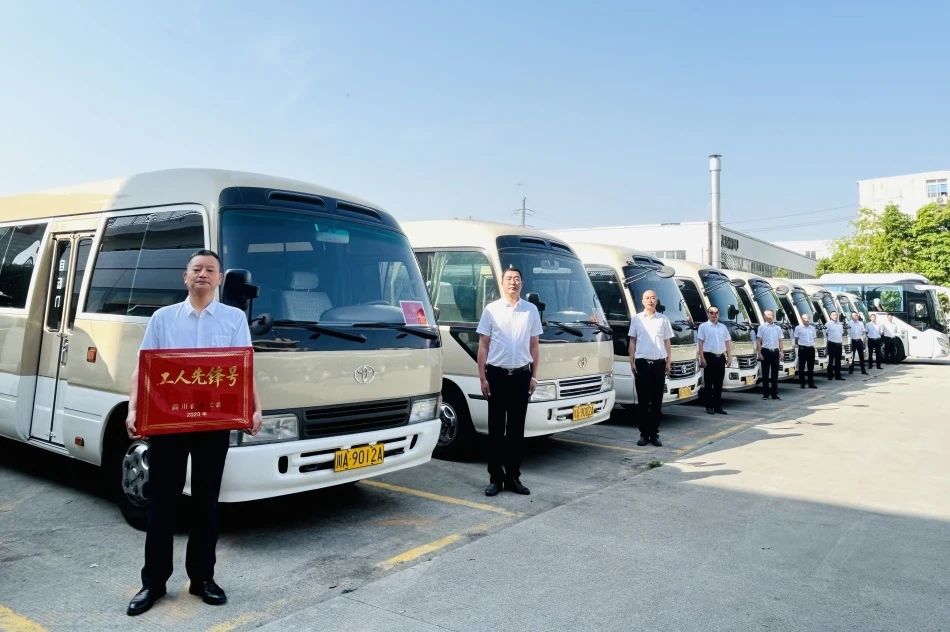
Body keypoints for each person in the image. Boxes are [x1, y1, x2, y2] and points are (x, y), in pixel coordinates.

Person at [125, 249, 263, 616]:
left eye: (210, 270)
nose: (203, 274)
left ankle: (202, 579)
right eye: (197, 269)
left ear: (219, 279)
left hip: (214, 421)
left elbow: (244, 368)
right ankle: (154, 582)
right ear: (185, 277)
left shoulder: (233, 318)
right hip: (168, 421)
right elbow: (144, 367)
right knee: (162, 502)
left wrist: (255, 407)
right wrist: (134, 408)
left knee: (206, 501)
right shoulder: (163, 318)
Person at [476, 265, 542, 497]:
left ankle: (513, 477)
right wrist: (482, 377)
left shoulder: (530, 310)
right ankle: (495, 479)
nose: (513, 282)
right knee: (495, 429)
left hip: (522, 376)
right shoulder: (491, 310)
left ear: (522, 283)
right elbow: (483, 346)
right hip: (496, 376)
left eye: (517, 278)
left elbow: (534, 346)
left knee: (516, 430)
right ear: (502, 283)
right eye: (509, 278)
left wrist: (534, 375)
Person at [628, 289, 673, 447]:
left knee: (656, 401)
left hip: (659, 364)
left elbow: (667, 342)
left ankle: (654, 434)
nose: (650, 300)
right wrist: (631, 361)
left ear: (656, 301)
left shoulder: (663, 319)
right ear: (642, 301)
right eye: (647, 298)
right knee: (643, 401)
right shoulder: (636, 319)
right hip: (642, 364)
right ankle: (643, 434)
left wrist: (669, 362)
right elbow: (632, 341)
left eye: (653, 298)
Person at [697, 305, 732, 415]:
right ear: (708, 314)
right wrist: (702, 358)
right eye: (711, 312)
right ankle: (709, 406)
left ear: (719, 314)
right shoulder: (703, 327)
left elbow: (727, 342)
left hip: (720, 357)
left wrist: (729, 356)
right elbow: (700, 343)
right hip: (709, 357)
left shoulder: (723, 327)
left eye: (716, 313)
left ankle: (718, 406)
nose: (714, 315)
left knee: (719, 383)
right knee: (709, 383)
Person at [755, 309, 784, 400]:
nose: (770, 317)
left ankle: (774, 394)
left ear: (773, 316)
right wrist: (759, 353)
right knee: (765, 374)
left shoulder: (778, 328)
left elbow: (780, 340)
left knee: (775, 374)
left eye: (771, 315)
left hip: (775, 352)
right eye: (768, 315)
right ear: (764, 316)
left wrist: (781, 352)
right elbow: (758, 341)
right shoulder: (761, 327)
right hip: (765, 351)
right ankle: (766, 394)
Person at [793, 313, 818, 389]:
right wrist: (799, 345)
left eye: (807, 318)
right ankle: (802, 383)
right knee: (801, 367)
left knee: (811, 367)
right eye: (804, 318)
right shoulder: (798, 328)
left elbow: (814, 338)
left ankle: (811, 383)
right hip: (802, 349)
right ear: (801, 319)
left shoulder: (812, 328)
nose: (806, 320)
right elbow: (796, 338)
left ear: (809, 319)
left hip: (811, 348)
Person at [825, 310, 845, 381]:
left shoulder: (840, 324)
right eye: (833, 315)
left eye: (836, 315)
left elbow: (841, 333)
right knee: (830, 360)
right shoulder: (827, 324)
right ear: (830, 316)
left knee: (838, 361)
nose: (835, 316)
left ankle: (838, 376)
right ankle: (830, 376)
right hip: (831, 344)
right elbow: (825, 334)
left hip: (839, 344)